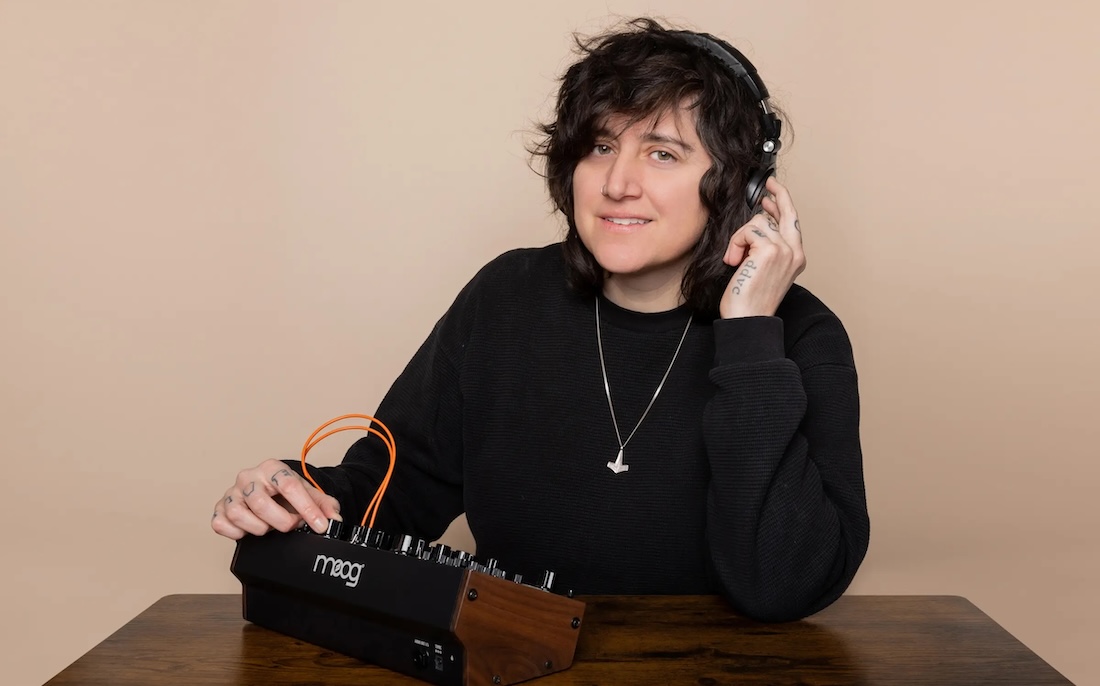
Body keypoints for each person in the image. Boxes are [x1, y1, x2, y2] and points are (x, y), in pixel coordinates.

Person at [211, 17, 869, 622]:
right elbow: (389, 491)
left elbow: (783, 586)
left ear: (741, 185)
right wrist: (290, 494)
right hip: (519, 657)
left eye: (663, 153)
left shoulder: (800, 338)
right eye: (600, 147)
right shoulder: (506, 297)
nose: (618, 183)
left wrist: (750, 335)